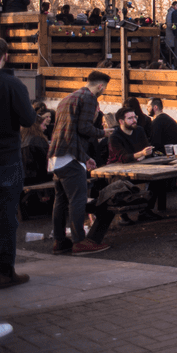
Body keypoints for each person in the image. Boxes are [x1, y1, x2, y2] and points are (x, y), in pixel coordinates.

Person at [47, 70, 113, 255]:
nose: (103, 91)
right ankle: (79, 242)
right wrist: (103, 133)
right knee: (77, 199)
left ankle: (59, 241)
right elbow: (84, 128)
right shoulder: (89, 98)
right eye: (104, 88)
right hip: (71, 158)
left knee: (60, 200)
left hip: (57, 156)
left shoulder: (67, 98)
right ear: (100, 86)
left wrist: (85, 157)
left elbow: (69, 132)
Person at [0, 37, 38, 289]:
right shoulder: (12, 84)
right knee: (7, 217)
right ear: (5, 57)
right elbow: (28, 119)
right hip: (6, 159)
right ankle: (5, 271)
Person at [107, 106, 164, 223]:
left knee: (159, 177)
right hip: (118, 170)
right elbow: (123, 158)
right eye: (130, 118)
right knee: (119, 181)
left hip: (138, 166)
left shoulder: (139, 130)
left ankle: (145, 211)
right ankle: (123, 215)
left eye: (135, 117)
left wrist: (145, 153)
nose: (134, 120)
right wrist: (141, 154)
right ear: (121, 121)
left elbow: (146, 148)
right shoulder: (115, 136)